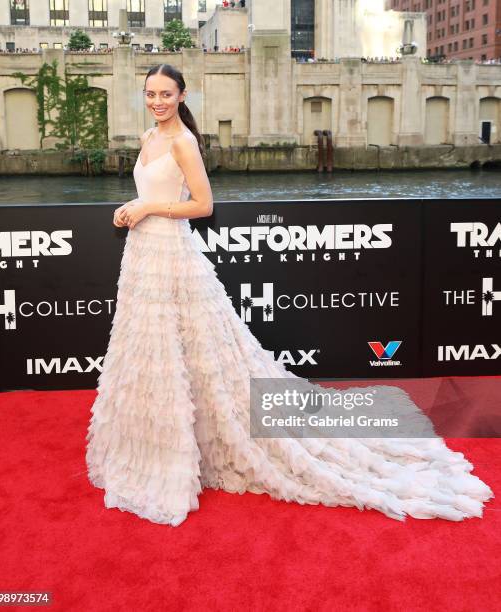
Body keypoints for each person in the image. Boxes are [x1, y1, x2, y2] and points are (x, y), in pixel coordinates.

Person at [85, 63, 494, 527]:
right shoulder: (147, 139)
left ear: (182, 96)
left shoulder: (183, 142)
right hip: (142, 256)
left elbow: (203, 205)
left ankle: (190, 451)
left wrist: (149, 206)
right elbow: (151, 192)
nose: (157, 101)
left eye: (165, 93)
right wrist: (130, 208)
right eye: (150, 93)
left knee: (195, 352)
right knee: (155, 352)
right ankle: (155, 446)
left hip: (172, 254)